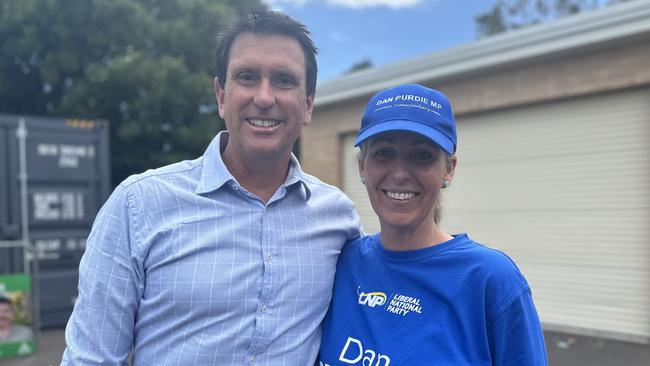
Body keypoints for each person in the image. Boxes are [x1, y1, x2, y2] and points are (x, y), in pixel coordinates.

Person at [62, 11, 361, 366]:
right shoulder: (137, 205)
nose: (264, 97)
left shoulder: (338, 218)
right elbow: (90, 359)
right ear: (221, 95)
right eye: (247, 77)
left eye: (284, 80)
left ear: (309, 103)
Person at [319, 84, 547, 365]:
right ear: (362, 167)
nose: (400, 173)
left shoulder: (490, 280)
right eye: (384, 153)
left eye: (422, 156)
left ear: (449, 169)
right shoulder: (341, 262)